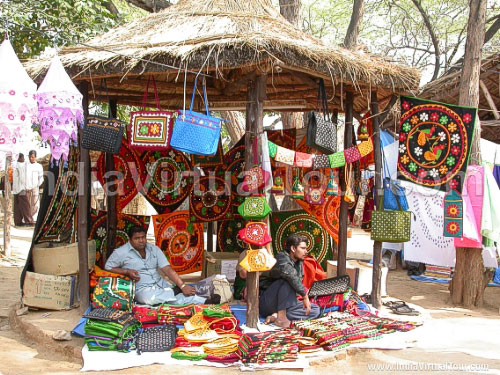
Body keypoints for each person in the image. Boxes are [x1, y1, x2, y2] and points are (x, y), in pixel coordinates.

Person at [105, 225, 212, 306]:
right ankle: (197, 299)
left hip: (160, 284)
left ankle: (205, 301)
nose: (141, 241)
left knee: (178, 295)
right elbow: (108, 267)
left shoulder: (154, 249)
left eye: (143, 237)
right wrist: (126, 272)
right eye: (137, 238)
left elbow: (167, 269)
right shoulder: (121, 252)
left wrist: (182, 286)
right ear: (130, 240)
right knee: (149, 299)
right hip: (141, 289)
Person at [259, 234, 321, 328]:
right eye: (303, 248)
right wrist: (305, 296)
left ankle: (276, 316)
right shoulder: (281, 257)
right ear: (293, 248)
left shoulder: (299, 261)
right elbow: (291, 276)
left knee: (315, 310)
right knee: (288, 281)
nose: (306, 251)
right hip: (268, 302)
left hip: (283, 305)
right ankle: (281, 318)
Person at [12, 153, 31, 227]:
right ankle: (28, 220)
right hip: (21, 188)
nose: (24, 159)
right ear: (20, 158)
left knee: (17, 206)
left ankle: (18, 221)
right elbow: (23, 178)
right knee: (25, 205)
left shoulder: (14, 165)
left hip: (15, 189)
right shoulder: (21, 166)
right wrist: (27, 187)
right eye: (23, 157)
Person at [25, 150, 44, 223]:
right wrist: (26, 186)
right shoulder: (26, 165)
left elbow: (41, 178)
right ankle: (27, 219)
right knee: (27, 203)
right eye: (30, 157)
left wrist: (36, 186)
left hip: (35, 187)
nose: (31, 158)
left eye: (33, 157)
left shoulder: (39, 166)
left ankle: (34, 218)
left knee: (35, 203)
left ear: (35, 157)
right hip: (27, 187)